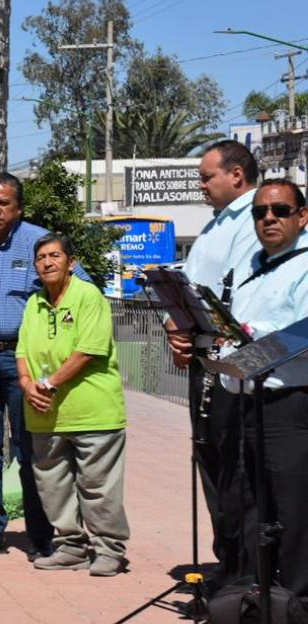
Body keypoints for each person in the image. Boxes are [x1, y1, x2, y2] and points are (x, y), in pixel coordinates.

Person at [0, 173, 93, 560]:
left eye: (3, 203)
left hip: (23, 360)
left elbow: (81, 287)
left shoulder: (40, 243)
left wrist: (66, 338)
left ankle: (40, 534)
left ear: (19, 207)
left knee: (31, 449)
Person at [165, 140, 262, 586]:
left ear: (236, 175)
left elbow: (242, 294)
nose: (201, 186)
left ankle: (247, 569)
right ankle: (228, 560)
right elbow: (194, 285)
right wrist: (176, 325)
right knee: (210, 460)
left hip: (235, 363)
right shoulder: (216, 225)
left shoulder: (254, 223)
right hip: (204, 357)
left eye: (207, 177)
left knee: (235, 467)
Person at [16, 233, 129, 577]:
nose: (47, 263)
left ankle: (110, 549)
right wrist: (26, 384)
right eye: (41, 258)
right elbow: (21, 351)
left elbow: (88, 350)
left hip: (93, 411)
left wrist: (48, 383)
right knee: (54, 487)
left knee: (97, 486)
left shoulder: (88, 296)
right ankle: (70, 547)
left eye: (54, 256)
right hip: (45, 414)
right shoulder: (35, 302)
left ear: (71, 262)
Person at [217, 179, 308, 601]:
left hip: (289, 405)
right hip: (246, 402)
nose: (268, 218)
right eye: (259, 212)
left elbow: (302, 334)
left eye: (280, 210)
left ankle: (297, 601)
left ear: (302, 216)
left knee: (293, 511)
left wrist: (246, 346)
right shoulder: (251, 267)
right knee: (251, 505)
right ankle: (258, 596)